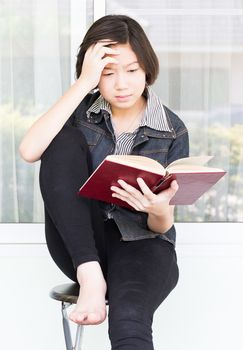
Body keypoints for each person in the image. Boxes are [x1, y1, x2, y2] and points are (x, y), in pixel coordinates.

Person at [19, 14, 189, 350]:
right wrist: (83, 83)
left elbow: (162, 224)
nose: (121, 84)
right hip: (84, 244)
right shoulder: (79, 111)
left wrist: (158, 209)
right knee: (61, 140)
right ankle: (90, 276)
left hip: (143, 243)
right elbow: (29, 150)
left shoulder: (173, 129)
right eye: (108, 73)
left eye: (132, 70)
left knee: (129, 322)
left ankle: (99, 282)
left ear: (147, 70)